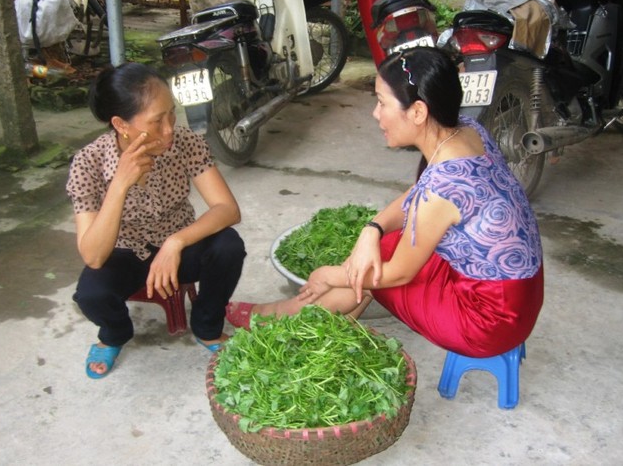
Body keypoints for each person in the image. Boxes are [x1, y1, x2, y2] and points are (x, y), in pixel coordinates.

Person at [226, 47, 544, 358]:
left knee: (376, 271)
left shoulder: (442, 187)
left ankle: (286, 320)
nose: (375, 114)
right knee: (381, 250)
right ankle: (312, 317)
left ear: (418, 112)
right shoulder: (465, 131)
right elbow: (418, 195)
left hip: (488, 321)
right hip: (518, 294)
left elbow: (399, 273)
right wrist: (372, 229)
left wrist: (329, 274)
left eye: (381, 103)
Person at [66, 62, 246, 379]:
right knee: (92, 295)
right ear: (121, 124)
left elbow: (227, 209)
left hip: (179, 247)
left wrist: (176, 243)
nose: (169, 129)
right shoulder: (88, 162)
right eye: (157, 120)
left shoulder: (186, 143)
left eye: (171, 114)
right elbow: (93, 255)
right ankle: (114, 333)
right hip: (123, 253)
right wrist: (120, 183)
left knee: (228, 246)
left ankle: (206, 325)